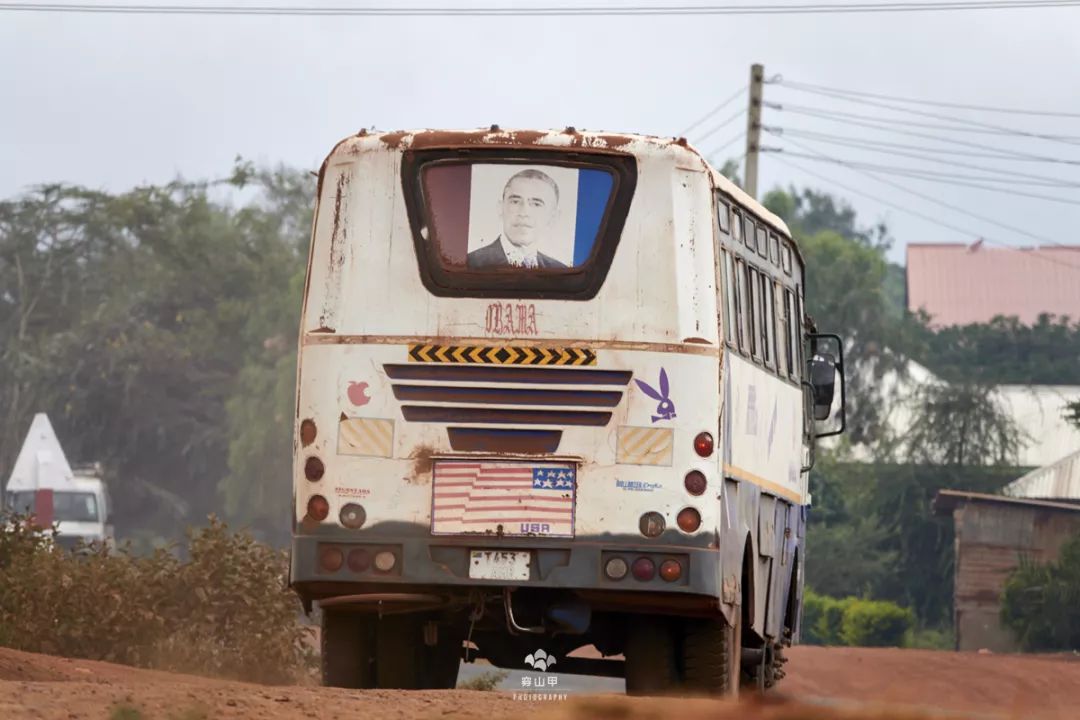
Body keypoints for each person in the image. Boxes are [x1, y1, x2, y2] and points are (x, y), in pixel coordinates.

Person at [467, 169, 568, 269]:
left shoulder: (561, 271)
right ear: (500, 208)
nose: (523, 213)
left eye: (536, 204)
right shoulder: (470, 263)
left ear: (553, 217)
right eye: (515, 201)